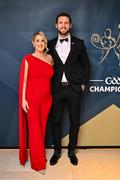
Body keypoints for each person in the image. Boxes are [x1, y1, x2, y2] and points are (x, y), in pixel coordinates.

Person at [48, 12, 90, 166]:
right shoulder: (50, 44)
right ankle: (57, 151)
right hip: (57, 89)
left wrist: (83, 83)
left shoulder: (79, 43)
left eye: (66, 22)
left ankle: (71, 151)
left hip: (74, 89)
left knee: (74, 122)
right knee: (56, 121)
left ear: (70, 25)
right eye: (60, 22)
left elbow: (87, 65)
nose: (63, 25)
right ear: (56, 25)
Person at [19, 31, 54, 174]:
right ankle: (38, 164)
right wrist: (23, 100)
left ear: (46, 44)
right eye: (38, 41)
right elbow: (24, 80)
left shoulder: (50, 58)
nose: (40, 43)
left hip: (47, 100)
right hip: (32, 100)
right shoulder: (27, 59)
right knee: (35, 131)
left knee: (42, 129)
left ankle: (38, 156)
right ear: (33, 43)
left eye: (43, 41)